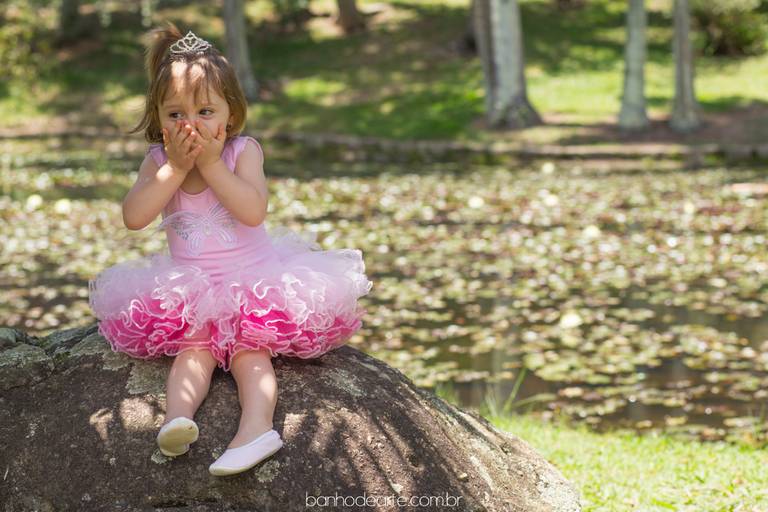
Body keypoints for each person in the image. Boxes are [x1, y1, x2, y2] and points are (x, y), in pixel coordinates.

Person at [87, 22, 373, 476]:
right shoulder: (159, 162)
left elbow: (252, 210)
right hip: (192, 288)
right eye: (175, 114)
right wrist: (176, 169)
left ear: (230, 116)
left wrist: (211, 164)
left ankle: (256, 429)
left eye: (204, 111)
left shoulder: (243, 153)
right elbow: (135, 217)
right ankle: (177, 420)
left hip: (254, 283)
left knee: (249, 353)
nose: (190, 125)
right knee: (193, 351)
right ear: (158, 119)